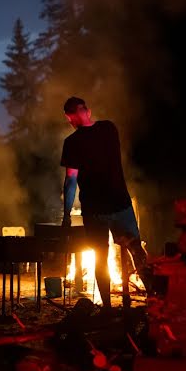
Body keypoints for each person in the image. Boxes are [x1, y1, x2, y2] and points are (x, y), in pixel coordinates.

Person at [60, 96, 153, 309]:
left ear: (69, 117)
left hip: (94, 210)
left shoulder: (71, 143)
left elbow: (71, 181)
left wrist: (66, 215)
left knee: (100, 258)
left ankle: (108, 308)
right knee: (136, 250)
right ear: (88, 111)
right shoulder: (109, 129)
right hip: (120, 203)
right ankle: (154, 297)